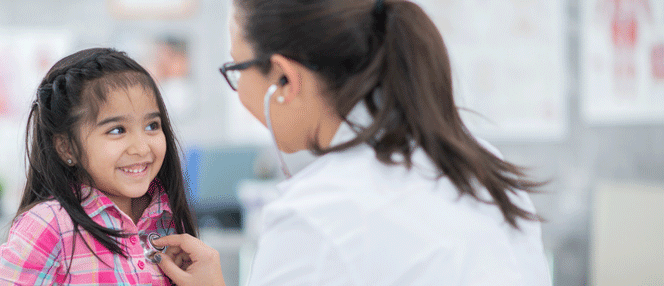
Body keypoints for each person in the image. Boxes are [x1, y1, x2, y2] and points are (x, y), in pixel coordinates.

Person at [151, 0, 552, 285]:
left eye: (236, 69)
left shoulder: (318, 213)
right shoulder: (479, 163)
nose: (239, 91)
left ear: (284, 79)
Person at [0, 48, 197, 285]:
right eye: (117, 130)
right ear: (67, 148)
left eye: (151, 125)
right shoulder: (49, 226)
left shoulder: (166, 219)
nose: (141, 147)